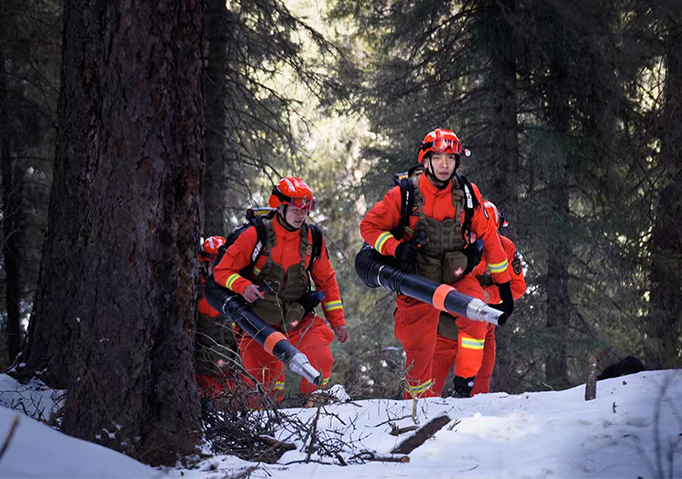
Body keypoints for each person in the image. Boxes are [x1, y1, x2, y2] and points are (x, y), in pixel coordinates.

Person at [360, 128, 513, 398]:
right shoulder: (404, 194)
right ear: (426, 160)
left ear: (457, 162)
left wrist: (505, 289)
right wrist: (396, 248)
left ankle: (464, 386)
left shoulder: (467, 193)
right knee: (419, 354)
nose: (445, 164)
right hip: (418, 283)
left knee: (476, 315)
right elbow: (369, 227)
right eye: (438, 157)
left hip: (456, 277)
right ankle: (416, 410)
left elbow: (489, 237)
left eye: (451, 158)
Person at [213, 176, 348, 400]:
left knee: (320, 359)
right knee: (261, 390)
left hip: (297, 319)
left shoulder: (312, 238)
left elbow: (327, 280)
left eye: (306, 209)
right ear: (280, 206)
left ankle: (311, 408)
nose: (301, 214)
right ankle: (266, 428)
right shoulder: (255, 235)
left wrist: (338, 321)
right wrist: (242, 286)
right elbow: (221, 271)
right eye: (296, 209)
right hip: (258, 325)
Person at [430, 201, 526, 396]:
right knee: (427, 390)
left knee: (480, 392)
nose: (481, 237)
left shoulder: (506, 249)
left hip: (484, 328)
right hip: (446, 327)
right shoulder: (455, 243)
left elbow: (517, 287)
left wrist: (488, 294)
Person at [195, 236, 239, 400]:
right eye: (213, 263)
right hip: (203, 366)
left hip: (229, 364)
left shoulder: (234, 287)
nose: (217, 268)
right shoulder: (194, 288)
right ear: (203, 263)